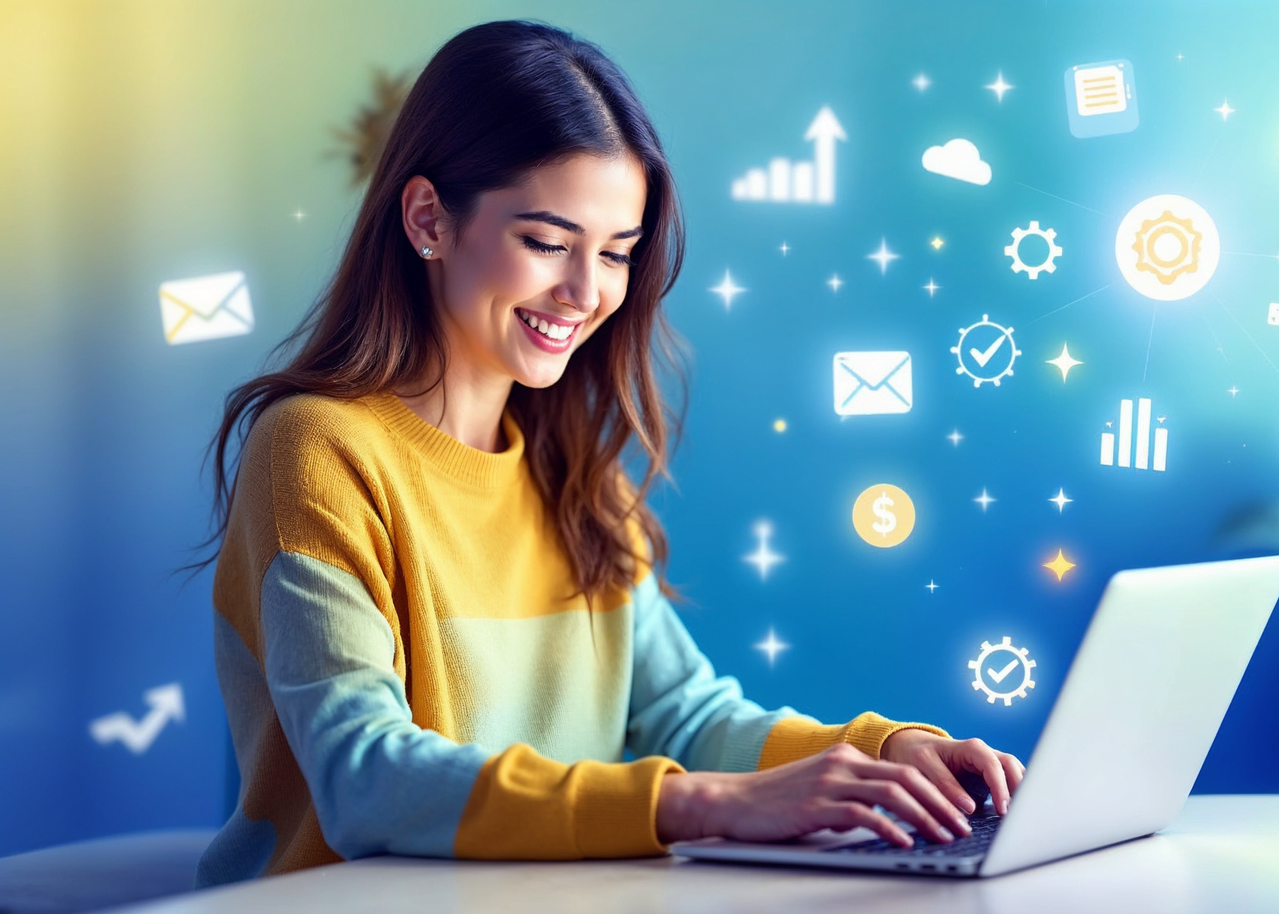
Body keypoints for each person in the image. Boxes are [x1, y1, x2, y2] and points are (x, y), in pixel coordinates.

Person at [194, 20, 1023, 887]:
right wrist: (697, 805)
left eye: (617, 254)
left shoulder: (574, 476)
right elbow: (367, 779)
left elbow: (684, 716)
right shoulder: (317, 449)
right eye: (548, 243)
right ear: (429, 218)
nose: (588, 294)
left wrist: (886, 753)